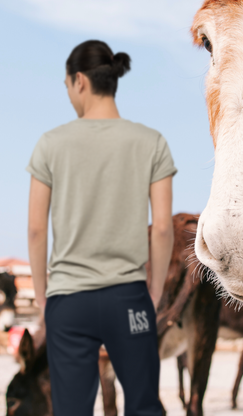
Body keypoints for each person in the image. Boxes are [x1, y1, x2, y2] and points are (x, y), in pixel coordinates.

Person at [26, 40, 176, 416]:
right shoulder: (151, 142)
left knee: (71, 410)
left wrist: (44, 296)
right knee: (143, 405)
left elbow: (35, 230)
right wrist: (153, 290)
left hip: (68, 301)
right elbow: (161, 228)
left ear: (79, 81)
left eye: (66, 87)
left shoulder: (50, 144)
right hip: (127, 298)